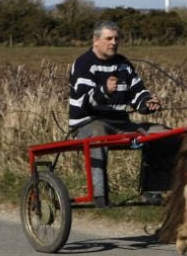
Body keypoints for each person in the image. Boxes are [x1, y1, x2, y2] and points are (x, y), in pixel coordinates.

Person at [68, 21, 176, 208]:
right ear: (96, 40)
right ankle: (100, 196)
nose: (113, 43)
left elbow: (137, 92)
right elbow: (84, 102)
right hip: (88, 122)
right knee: (99, 135)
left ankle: (153, 192)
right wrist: (104, 91)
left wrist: (147, 103)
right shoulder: (84, 64)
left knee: (165, 134)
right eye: (108, 38)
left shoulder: (123, 65)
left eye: (117, 39)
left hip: (121, 124)